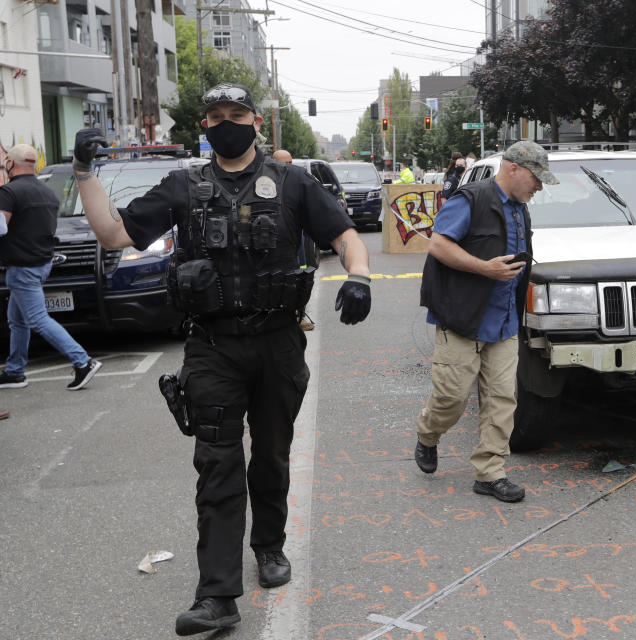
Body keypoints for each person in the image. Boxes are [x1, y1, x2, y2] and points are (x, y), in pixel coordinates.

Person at [71, 82, 372, 635]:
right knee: (217, 465)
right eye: (216, 116)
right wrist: (85, 175)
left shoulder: (293, 182)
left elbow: (346, 234)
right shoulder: (183, 187)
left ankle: (269, 545)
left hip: (279, 343)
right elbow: (115, 235)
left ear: (256, 122)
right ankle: (216, 596)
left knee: (272, 455)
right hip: (212, 347)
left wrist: (359, 276)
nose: (227, 122)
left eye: (237, 114)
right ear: (203, 126)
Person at [415, 141, 557, 502]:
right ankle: (428, 435)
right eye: (535, 177)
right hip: (463, 317)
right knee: (451, 397)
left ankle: (490, 472)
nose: (539, 186)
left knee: (502, 399)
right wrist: (485, 269)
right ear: (512, 168)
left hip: (505, 322)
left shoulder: (521, 211)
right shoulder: (471, 198)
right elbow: (439, 245)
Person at [0, 144, 102, 391]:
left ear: (10, 164)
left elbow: (1, 227)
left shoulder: (9, 192)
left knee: (36, 319)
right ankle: (15, 371)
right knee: (18, 320)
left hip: (22, 267)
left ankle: (83, 361)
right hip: (42, 264)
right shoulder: (47, 193)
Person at [272, 149, 315, 331]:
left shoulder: (297, 182)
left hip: (297, 239)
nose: (288, 167)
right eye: (284, 163)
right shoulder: (266, 184)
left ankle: (300, 315)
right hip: (276, 242)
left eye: (290, 163)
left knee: (300, 277)